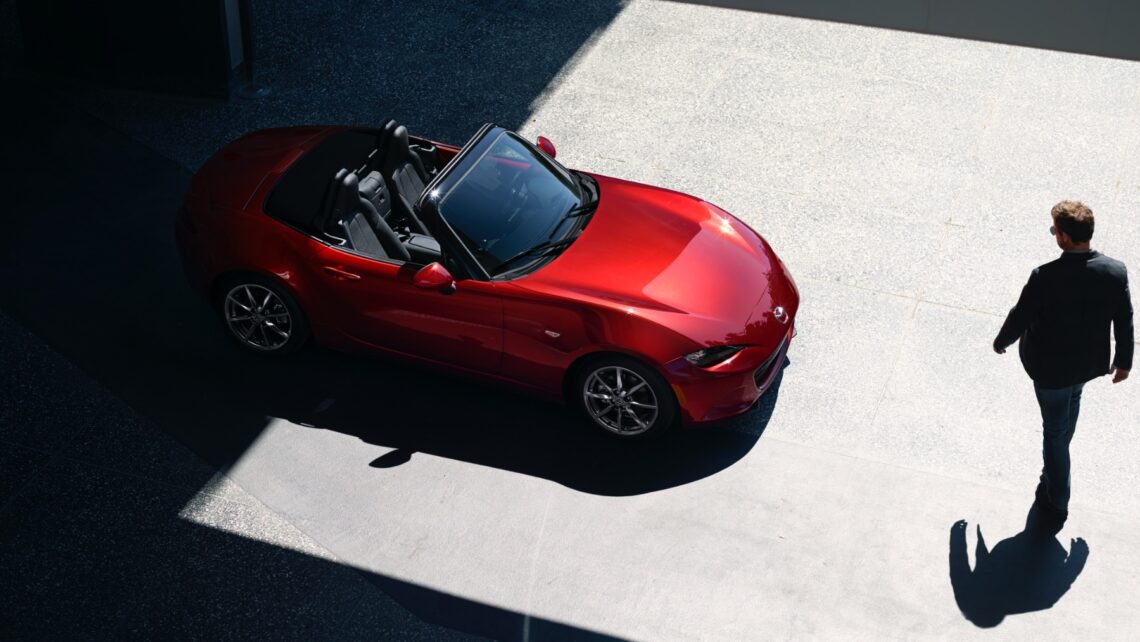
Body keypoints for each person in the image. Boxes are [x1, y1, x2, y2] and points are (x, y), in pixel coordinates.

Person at [993, 200, 1133, 519]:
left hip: (1050, 370)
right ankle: (1056, 468)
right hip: (1086, 366)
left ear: (1065, 238)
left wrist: (1002, 341)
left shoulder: (1045, 276)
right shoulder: (1115, 271)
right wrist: (1124, 361)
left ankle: (1057, 497)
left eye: (1054, 230)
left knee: (1055, 433)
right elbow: (1124, 319)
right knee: (1066, 416)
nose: (1054, 234)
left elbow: (1021, 316)